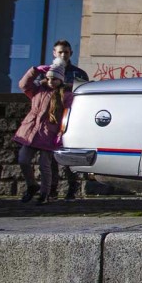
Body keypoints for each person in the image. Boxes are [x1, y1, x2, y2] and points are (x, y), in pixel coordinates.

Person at [14, 58, 74, 205]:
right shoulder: (38, 90)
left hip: (49, 133)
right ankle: (32, 185)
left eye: (54, 79)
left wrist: (61, 133)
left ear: (61, 80)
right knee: (23, 159)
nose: (51, 81)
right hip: (30, 132)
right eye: (48, 78)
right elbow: (23, 85)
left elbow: (68, 115)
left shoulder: (65, 95)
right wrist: (34, 70)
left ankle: (44, 194)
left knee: (45, 166)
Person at [49, 40, 89, 200]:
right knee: (50, 157)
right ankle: (52, 189)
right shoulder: (48, 72)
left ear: (71, 53)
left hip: (71, 117)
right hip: (52, 118)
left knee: (69, 155)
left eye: (66, 52)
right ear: (54, 53)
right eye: (60, 52)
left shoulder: (78, 73)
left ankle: (72, 189)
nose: (63, 55)